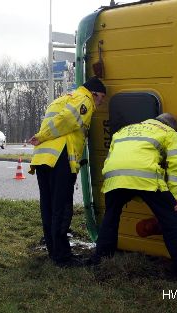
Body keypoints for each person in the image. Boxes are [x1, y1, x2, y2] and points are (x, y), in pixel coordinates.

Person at [88, 113, 177, 283]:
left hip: (114, 177)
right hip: (145, 177)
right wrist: (174, 195)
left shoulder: (125, 130)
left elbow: (114, 156)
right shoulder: (170, 133)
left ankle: (101, 260)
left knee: (110, 219)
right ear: (170, 126)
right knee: (172, 220)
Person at [29, 77, 106, 267]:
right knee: (61, 208)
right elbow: (65, 120)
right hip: (59, 160)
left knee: (48, 207)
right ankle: (63, 258)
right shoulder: (84, 99)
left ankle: (54, 252)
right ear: (94, 93)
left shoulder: (63, 97)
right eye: (101, 98)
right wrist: (41, 136)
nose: (100, 102)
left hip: (43, 159)